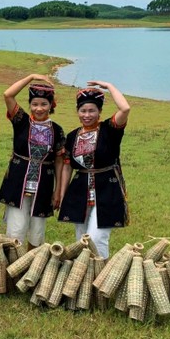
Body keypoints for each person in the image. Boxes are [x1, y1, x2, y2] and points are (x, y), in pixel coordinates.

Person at [58, 81, 131, 258]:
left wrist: (109, 86)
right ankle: (84, 278)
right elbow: (67, 166)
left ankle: (101, 276)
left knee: (97, 238)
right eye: (83, 110)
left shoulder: (110, 129)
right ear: (77, 112)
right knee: (81, 240)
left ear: (99, 112)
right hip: (79, 190)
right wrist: (61, 194)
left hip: (107, 188)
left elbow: (125, 108)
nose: (87, 115)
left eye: (92, 111)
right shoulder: (73, 136)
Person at [0, 75, 65, 250]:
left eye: (44, 104)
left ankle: (31, 267)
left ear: (51, 105)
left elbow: (59, 161)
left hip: (44, 184)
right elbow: (8, 95)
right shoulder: (21, 121)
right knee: (16, 228)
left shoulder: (57, 130)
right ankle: (12, 267)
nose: (39, 108)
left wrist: (57, 190)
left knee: (37, 231)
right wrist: (31, 77)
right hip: (18, 181)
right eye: (34, 104)